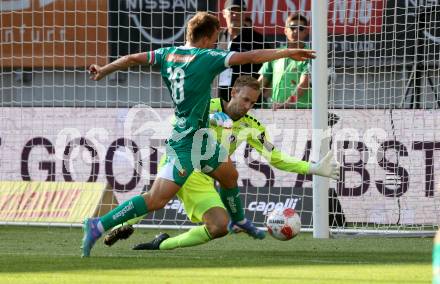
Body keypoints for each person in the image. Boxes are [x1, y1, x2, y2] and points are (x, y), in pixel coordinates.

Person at [82, 11, 316, 257]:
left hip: (202, 138)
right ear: (206, 38)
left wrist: (104, 70)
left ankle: (238, 220)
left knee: (229, 174)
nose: (216, 43)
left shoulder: (166, 54)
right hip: (186, 141)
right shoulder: (205, 56)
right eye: (215, 38)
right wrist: (289, 52)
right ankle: (98, 225)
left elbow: (130, 58)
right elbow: (252, 55)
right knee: (156, 200)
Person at [103, 76, 340, 251]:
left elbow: (275, 157)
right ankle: (118, 225)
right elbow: (177, 120)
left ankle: (161, 244)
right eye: (245, 99)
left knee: (219, 228)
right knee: (155, 198)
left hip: (203, 177)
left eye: (253, 103)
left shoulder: (252, 127)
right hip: (180, 158)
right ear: (234, 92)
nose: (248, 106)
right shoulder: (208, 105)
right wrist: (207, 119)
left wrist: (312, 168)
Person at [217, 0, 269, 108]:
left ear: (244, 14)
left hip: (247, 102)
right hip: (219, 98)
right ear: (224, 13)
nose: (235, 15)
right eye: (232, 11)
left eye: (239, 11)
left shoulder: (257, 39)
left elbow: (268, 70)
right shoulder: (216, 38)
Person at [258, 12, 312, 110]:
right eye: (292, 27)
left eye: (301, 28)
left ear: (306, 32)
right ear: (285, 31)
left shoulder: (310, 55)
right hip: (276, 109)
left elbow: (304, 84)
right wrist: (246, 97)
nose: (296, 31)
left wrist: (287, 103)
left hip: (302, 111)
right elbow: (261, 81)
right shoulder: (275, 53)